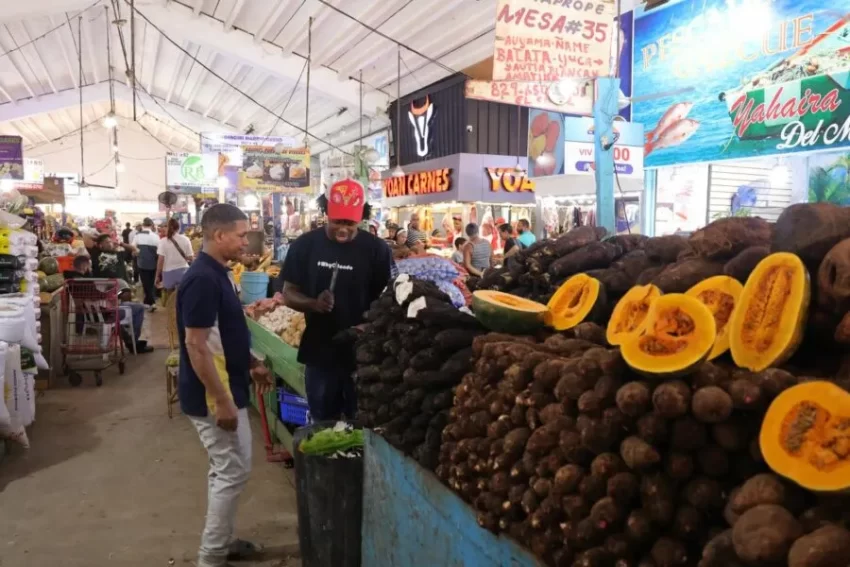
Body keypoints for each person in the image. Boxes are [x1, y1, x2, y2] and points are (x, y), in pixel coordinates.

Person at [178, 204, 273, 567]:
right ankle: (212, 556)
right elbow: (196, 345)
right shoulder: (203, 279)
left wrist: (250, 363)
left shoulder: (219, 273)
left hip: (226, 386)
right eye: (241, 235)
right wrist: (221, 400)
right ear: (219, 235)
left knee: (225, 470)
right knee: (232, 471)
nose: (246, 242)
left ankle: (222, 540)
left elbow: (224, 333)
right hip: (212, 394)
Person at [280, 179, 392, 420]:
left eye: (350, 223)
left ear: (361, 218)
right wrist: (313, 304)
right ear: (326, 214)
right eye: (337, 222)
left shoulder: (377, 249)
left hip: (364, 355)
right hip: (320, 352)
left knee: (362, 422)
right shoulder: (304, 246)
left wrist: (367, 326)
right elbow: (288, 293)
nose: (343, 229)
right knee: (323, 422)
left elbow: (388, 299)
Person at [65, 255, 153, 354]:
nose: (90, 269)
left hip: (90, 314)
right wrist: (112, 295)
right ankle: (134, 342)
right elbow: (97, 297)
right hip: (105, 313)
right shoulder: (86, 281)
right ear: (84, 267)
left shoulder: (70, 280)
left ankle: (130, 341)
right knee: (138, 308)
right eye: (89, 266)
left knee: (126, 308)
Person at [156, 218, 194, 291]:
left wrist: (157, 276)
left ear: (168, 228)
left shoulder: (163, 241)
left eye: (165, 227)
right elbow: (190, 257)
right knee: (183, 294)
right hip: (183, 272)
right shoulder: (186, 239)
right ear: (178, 228)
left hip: (168, 274)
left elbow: (160, 260)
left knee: (169, 295)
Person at [133, 218, 161, 310]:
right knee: (151, 283)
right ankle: (150, 302)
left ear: (143, 225)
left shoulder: (137, 236)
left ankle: (150, 302)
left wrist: (138, 254)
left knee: (145, 283)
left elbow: (133, 249)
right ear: (152, 226)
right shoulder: (156, 236)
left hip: (142, 263)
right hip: (153, 263)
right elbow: (159, 251)